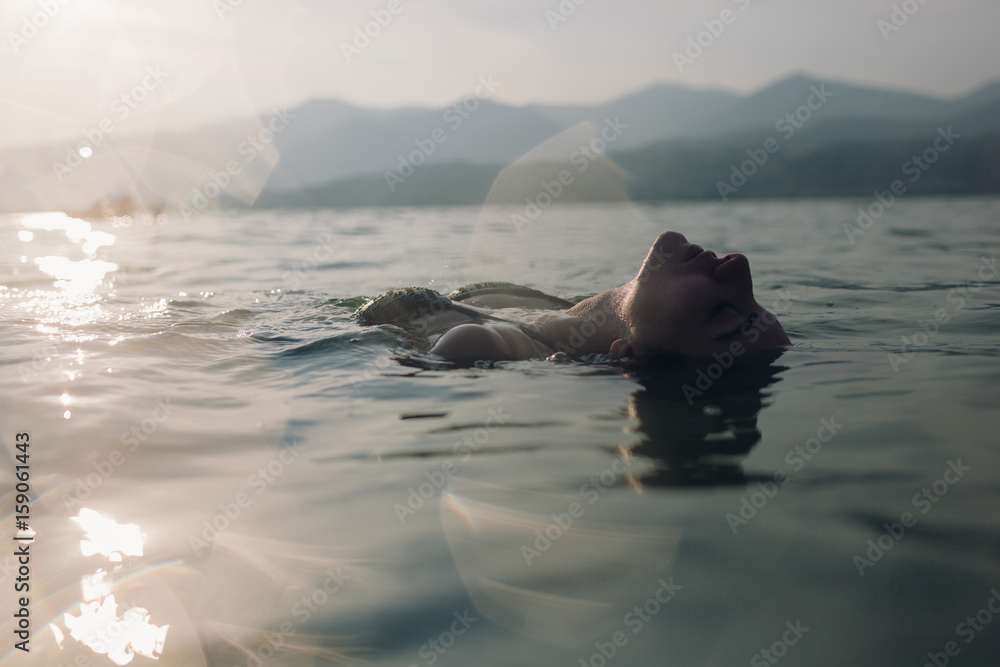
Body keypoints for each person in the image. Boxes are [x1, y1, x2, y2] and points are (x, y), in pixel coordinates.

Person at [356, 231, 790, 364]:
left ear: (628, 354)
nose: (738, 268)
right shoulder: (563, 317)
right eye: (754, 300)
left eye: (722, 310)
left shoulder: (483, 343)